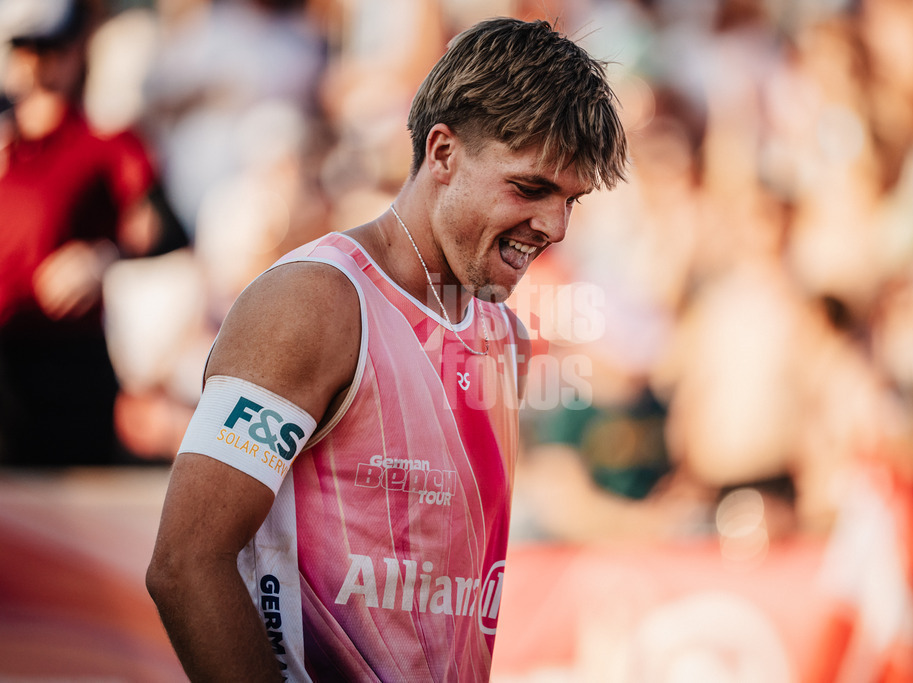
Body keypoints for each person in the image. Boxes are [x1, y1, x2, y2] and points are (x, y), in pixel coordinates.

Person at [146, 16, 628, 682]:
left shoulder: (504, 336)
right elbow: (186, 563)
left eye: (570, 199)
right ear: (443, 152)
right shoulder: (315, 305)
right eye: (531, 188)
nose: (554, 226)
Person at [0, 0, 186, 466]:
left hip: (66, 362)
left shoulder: (104, 141)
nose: (38, 63)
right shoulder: (5, 145)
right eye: (26, 48)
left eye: (51, 48)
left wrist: (105, 254)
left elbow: (168, 228)